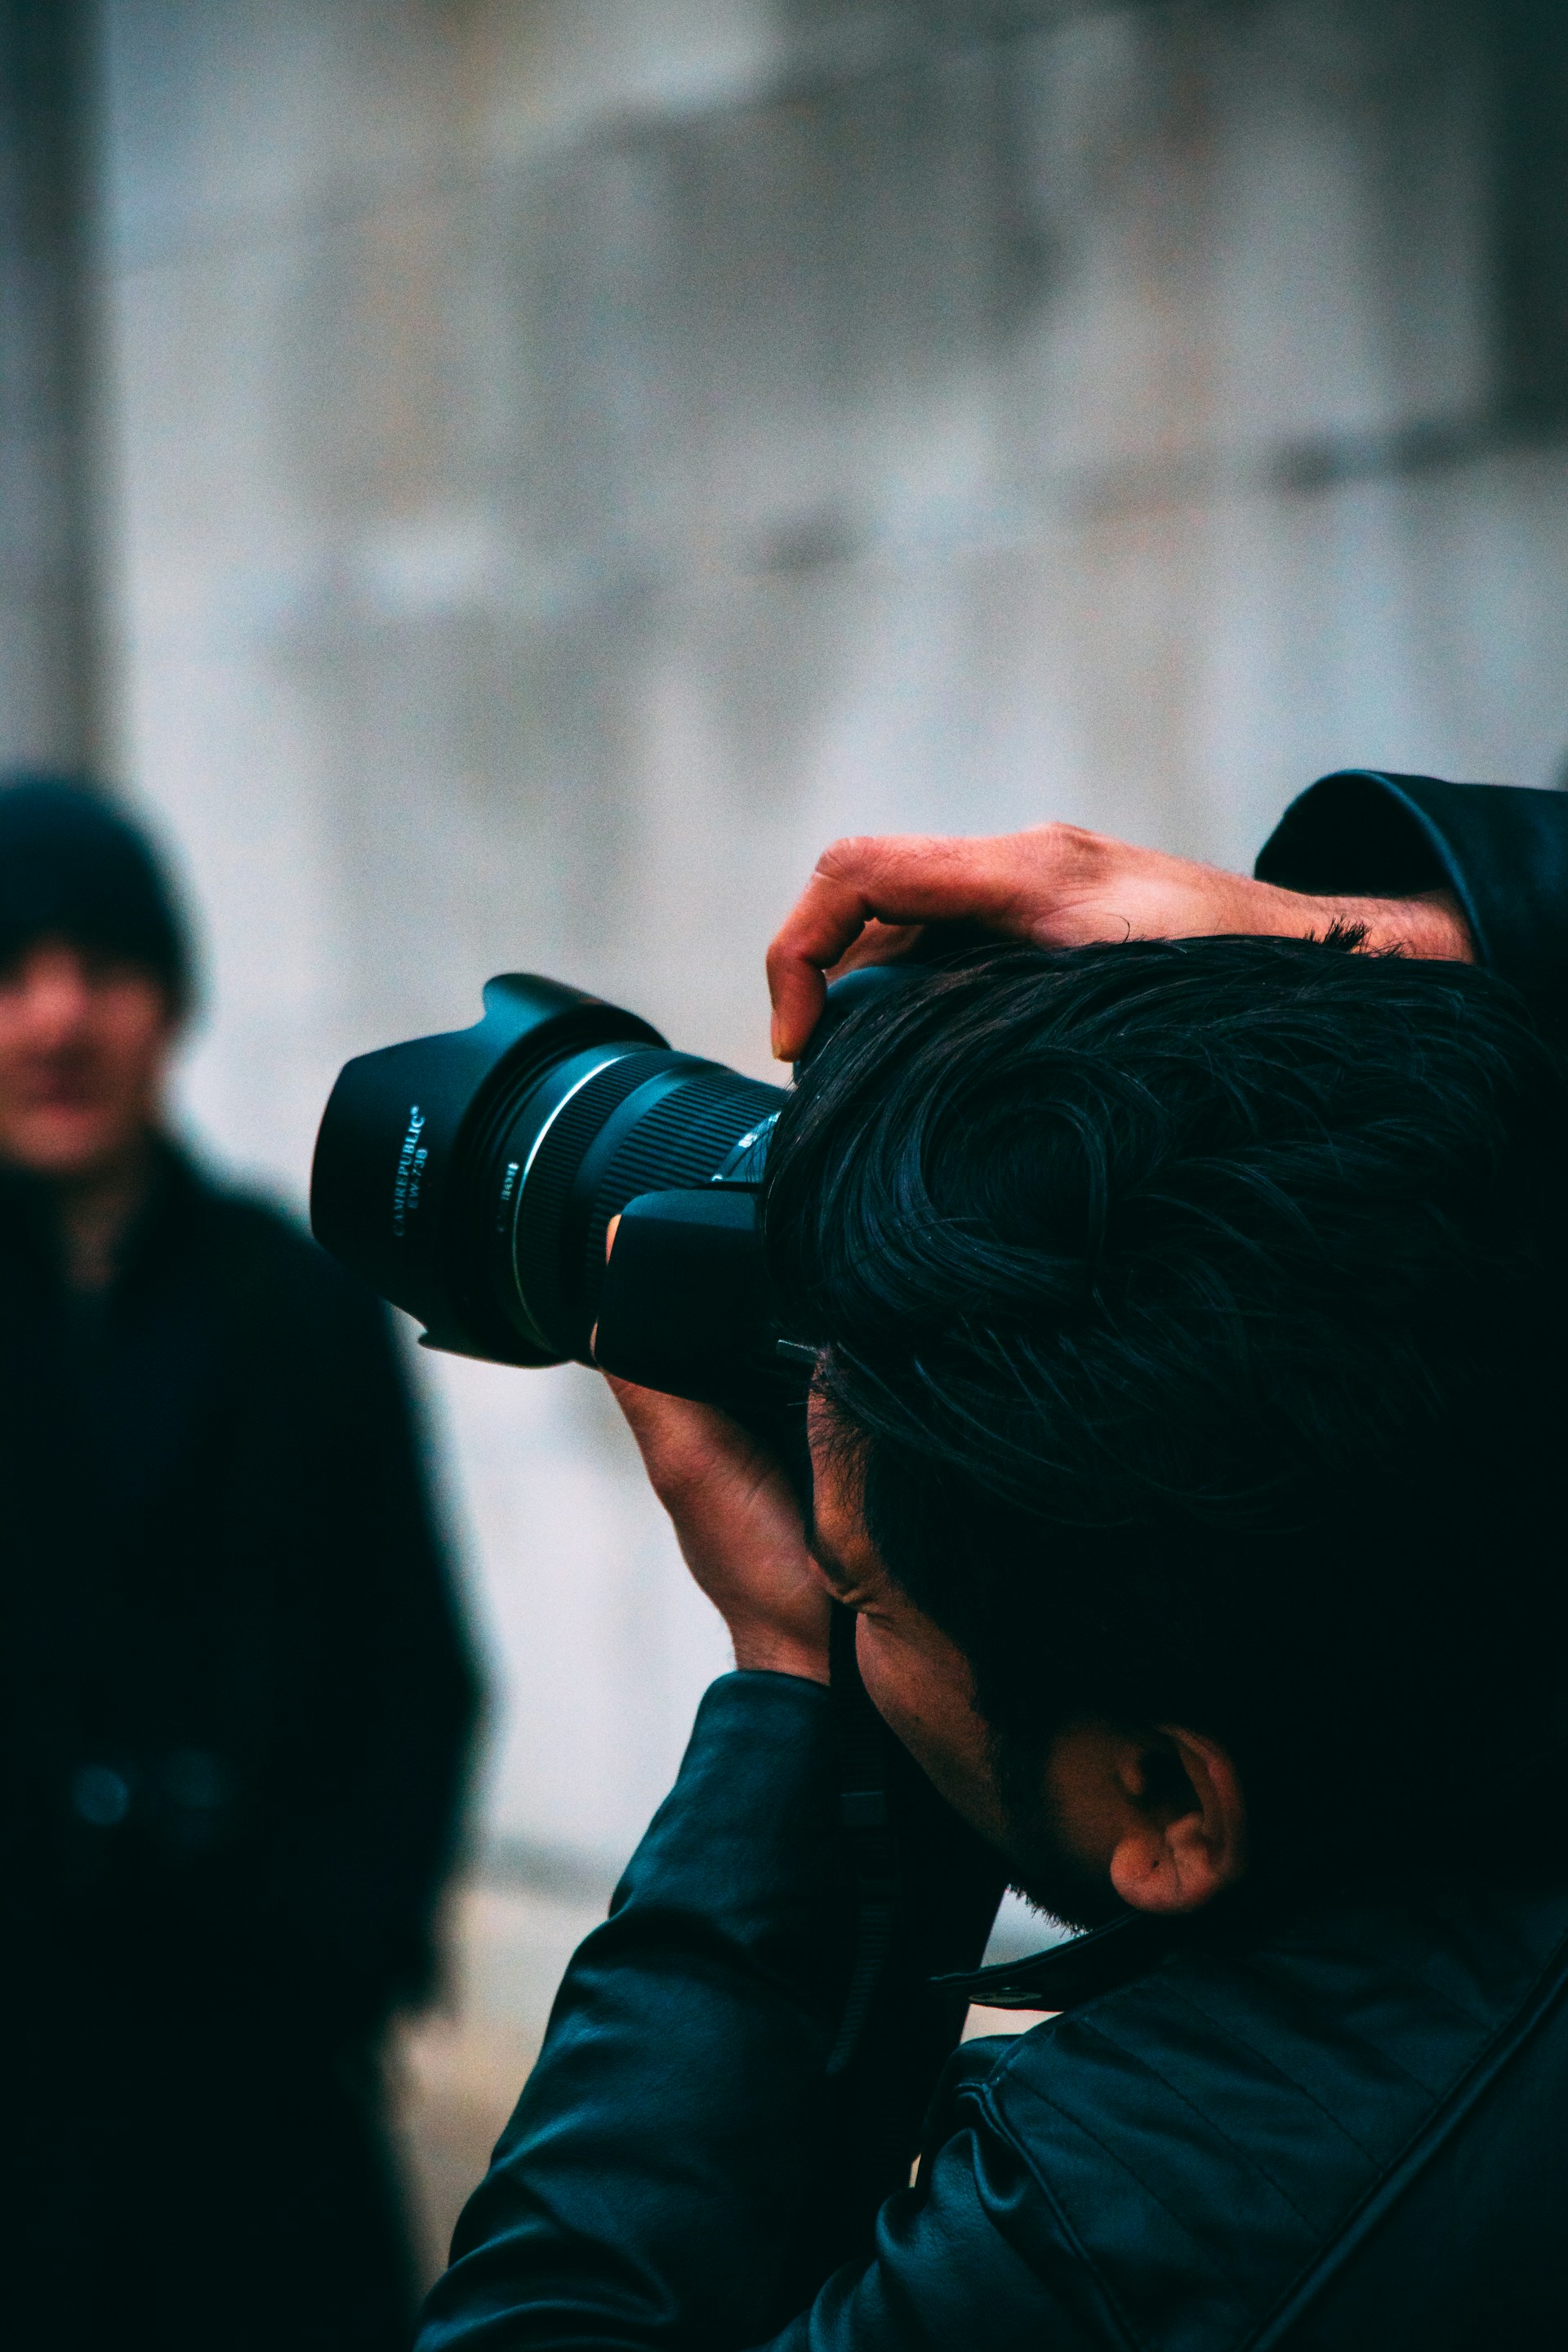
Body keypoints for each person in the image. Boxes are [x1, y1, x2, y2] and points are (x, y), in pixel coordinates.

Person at [412, 767, 1568, 2350]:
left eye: (862, 1589)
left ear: (1169, 1801)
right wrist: (1392, 946)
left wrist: (787, 1685)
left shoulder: (1152, 2228)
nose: (837, 1602)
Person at [0, 777, 481, 2352]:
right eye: (10, 971)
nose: (56, 1018)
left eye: (102, 967)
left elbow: (419, 1668)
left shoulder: (299, 1303)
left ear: (171, 1000)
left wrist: (343, 1955)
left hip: (261, 2103)